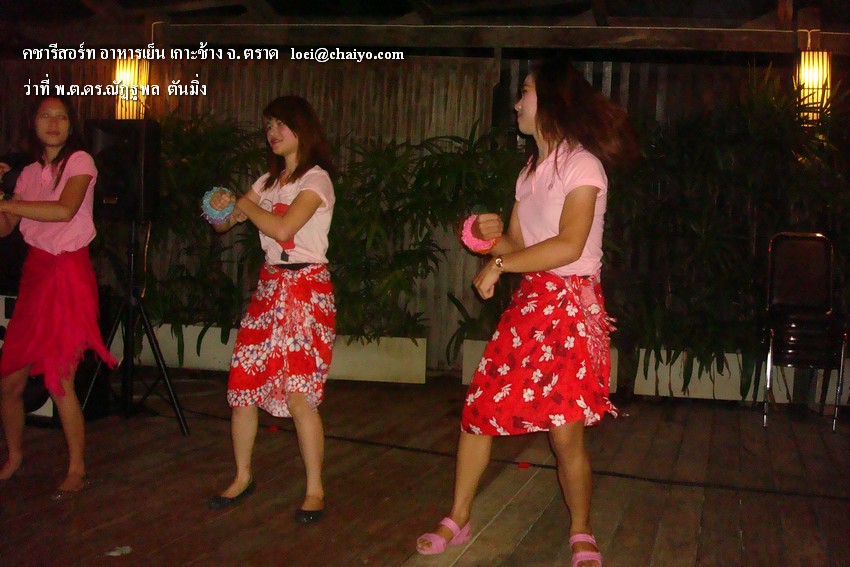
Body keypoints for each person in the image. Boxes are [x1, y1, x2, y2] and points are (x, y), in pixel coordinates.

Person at [416, 59, 637, 567]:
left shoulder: (583, 165)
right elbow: (517, 244)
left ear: (553, 99)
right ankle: (458, 516)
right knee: (478, 412)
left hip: (570, 306)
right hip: (531, 304)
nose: (517, 103)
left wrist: (499, 264)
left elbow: (569, 244)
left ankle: (581, 529)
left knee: (564, 433)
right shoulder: (530, 172)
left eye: (527, 91)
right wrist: (483, 236)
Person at [205, 96, 336, 524]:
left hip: (306, 291)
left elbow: (283, 228)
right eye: (268, 126)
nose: (272, 133)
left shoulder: (317, 180)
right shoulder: (267, 181)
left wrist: (242, 202)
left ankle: (315, 489)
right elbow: (224, 223)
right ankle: (242, 476)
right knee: (243, 385)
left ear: (303, 129)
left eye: (281, 124)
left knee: (300, 395)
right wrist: (218, 206)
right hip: (269, 289)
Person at [0, 95, 117, 496]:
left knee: (59, 378)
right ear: (32, 123)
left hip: (68, 271)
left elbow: (65, 210)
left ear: (71, 125)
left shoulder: (80, 161)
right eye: (45, 115)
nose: (53, 122)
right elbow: (6, 227)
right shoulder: (27, 175)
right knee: (9, 379)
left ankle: (77, 467)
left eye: (61, 116)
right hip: (35, 274)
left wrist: (10, 200)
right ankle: (14, 456)